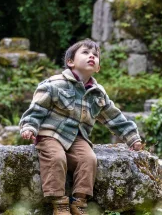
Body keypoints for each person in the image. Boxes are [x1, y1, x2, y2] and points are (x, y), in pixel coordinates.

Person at [19, 39, 142, 215]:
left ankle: (79, 202)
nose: (91, 56)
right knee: (56, 158)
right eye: (85, 53)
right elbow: (37, 109)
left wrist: (132, 137)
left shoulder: (98, 92)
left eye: (96, 55)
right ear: (71, 62)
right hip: (50, 134)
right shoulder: (54, 84)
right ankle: (59, 203)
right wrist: (29, 126)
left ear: (98, 67)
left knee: (89, 159)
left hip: (78, 137)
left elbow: (114, 117)